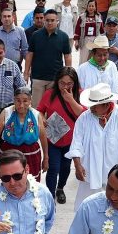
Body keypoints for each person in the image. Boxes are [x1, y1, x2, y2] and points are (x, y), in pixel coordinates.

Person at [66, 83, 118, 210]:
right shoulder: (84, 118)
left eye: (95, 105)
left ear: (106, 104)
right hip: (91, 172)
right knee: (89, 208)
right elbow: (76, 144)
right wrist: (78, 165)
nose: (91, 108)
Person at [37, 67, 86, 202]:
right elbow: (39, 110)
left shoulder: (81, 95)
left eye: (69, 83)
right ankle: (50, 196)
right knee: (53, 168)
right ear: (57, 82)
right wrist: (42, 118)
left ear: (75, 83)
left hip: (71, 141)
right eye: (62, 83)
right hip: (53, 139)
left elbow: (83, 115)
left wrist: (70, 99)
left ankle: (60, 188)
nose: (65, 87)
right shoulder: (49, 94)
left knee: (65, 167)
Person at [0, 87, 48, 181]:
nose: (21, 105)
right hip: (9, 152)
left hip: (31, 154)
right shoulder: (6, 112)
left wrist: (46, 157)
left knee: (29, 182)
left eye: (25, 101)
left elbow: (43, 137)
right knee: (7, 180)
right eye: (18, 100)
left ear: (30, 100)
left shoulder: (36, 115)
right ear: (14, 100)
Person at [24, 9, 72, 105]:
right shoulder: (35, 35)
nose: (50, 23)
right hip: (38, 78)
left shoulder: (63, 37)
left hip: (55, 78)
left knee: (52, 106)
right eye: (47, 20)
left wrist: (68, 74)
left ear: (57, 21)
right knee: (36, 107)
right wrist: (26, 72)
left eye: (52, 20)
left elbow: (67, 56)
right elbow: (30, 54)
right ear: (44, 20)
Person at [74, 0, 104, 64]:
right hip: (85, 40)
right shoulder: (82, 17)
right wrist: (76, 41)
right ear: (87, 7)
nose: (91, 8)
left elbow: (101, 31)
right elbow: (77, 30)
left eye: (93, 6)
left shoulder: (99, 17)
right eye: (89, 6)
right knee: (84, 59)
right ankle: (82, 72)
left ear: (95, 7)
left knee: (94, 59)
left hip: (95, 40)